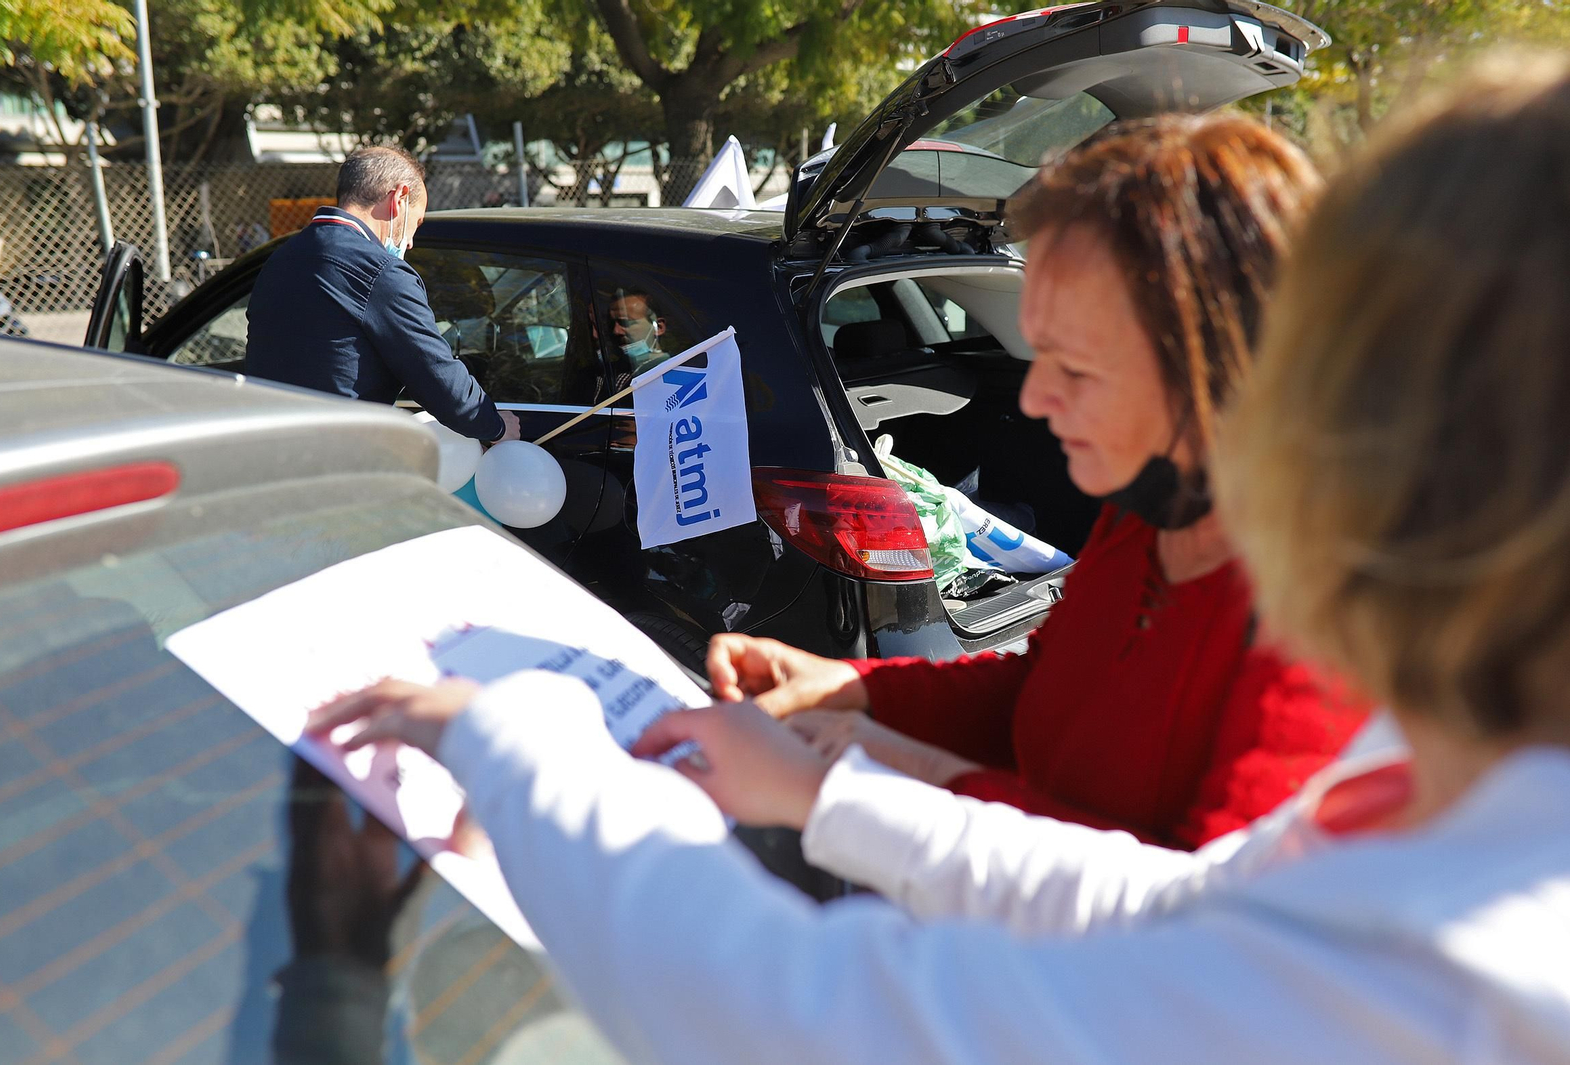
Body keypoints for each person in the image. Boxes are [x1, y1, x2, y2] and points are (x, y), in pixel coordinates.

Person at [311, 54, 1570, 1063]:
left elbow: (788, 1009)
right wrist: (848, 715)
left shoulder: (1460, 952)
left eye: (1326, 381)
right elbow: (1169, 902)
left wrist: (511, 737)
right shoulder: (1451, 805)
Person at [715, 114, 1366, 849]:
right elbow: (1038, 693)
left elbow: (1199, 917)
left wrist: (878, 779)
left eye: (1076, 366)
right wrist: (848, 689)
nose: (1033, 397)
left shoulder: (1327, 610)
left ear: (1217, 367)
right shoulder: (1148, 515)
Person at [246, 145, 517, 444]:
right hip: (340, 458)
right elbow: (434, 373)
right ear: (399, 199)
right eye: (416, 223)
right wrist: (495, 426)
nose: (411, 242)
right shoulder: (379, 272)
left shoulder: (281, 259)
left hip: (270, 451)